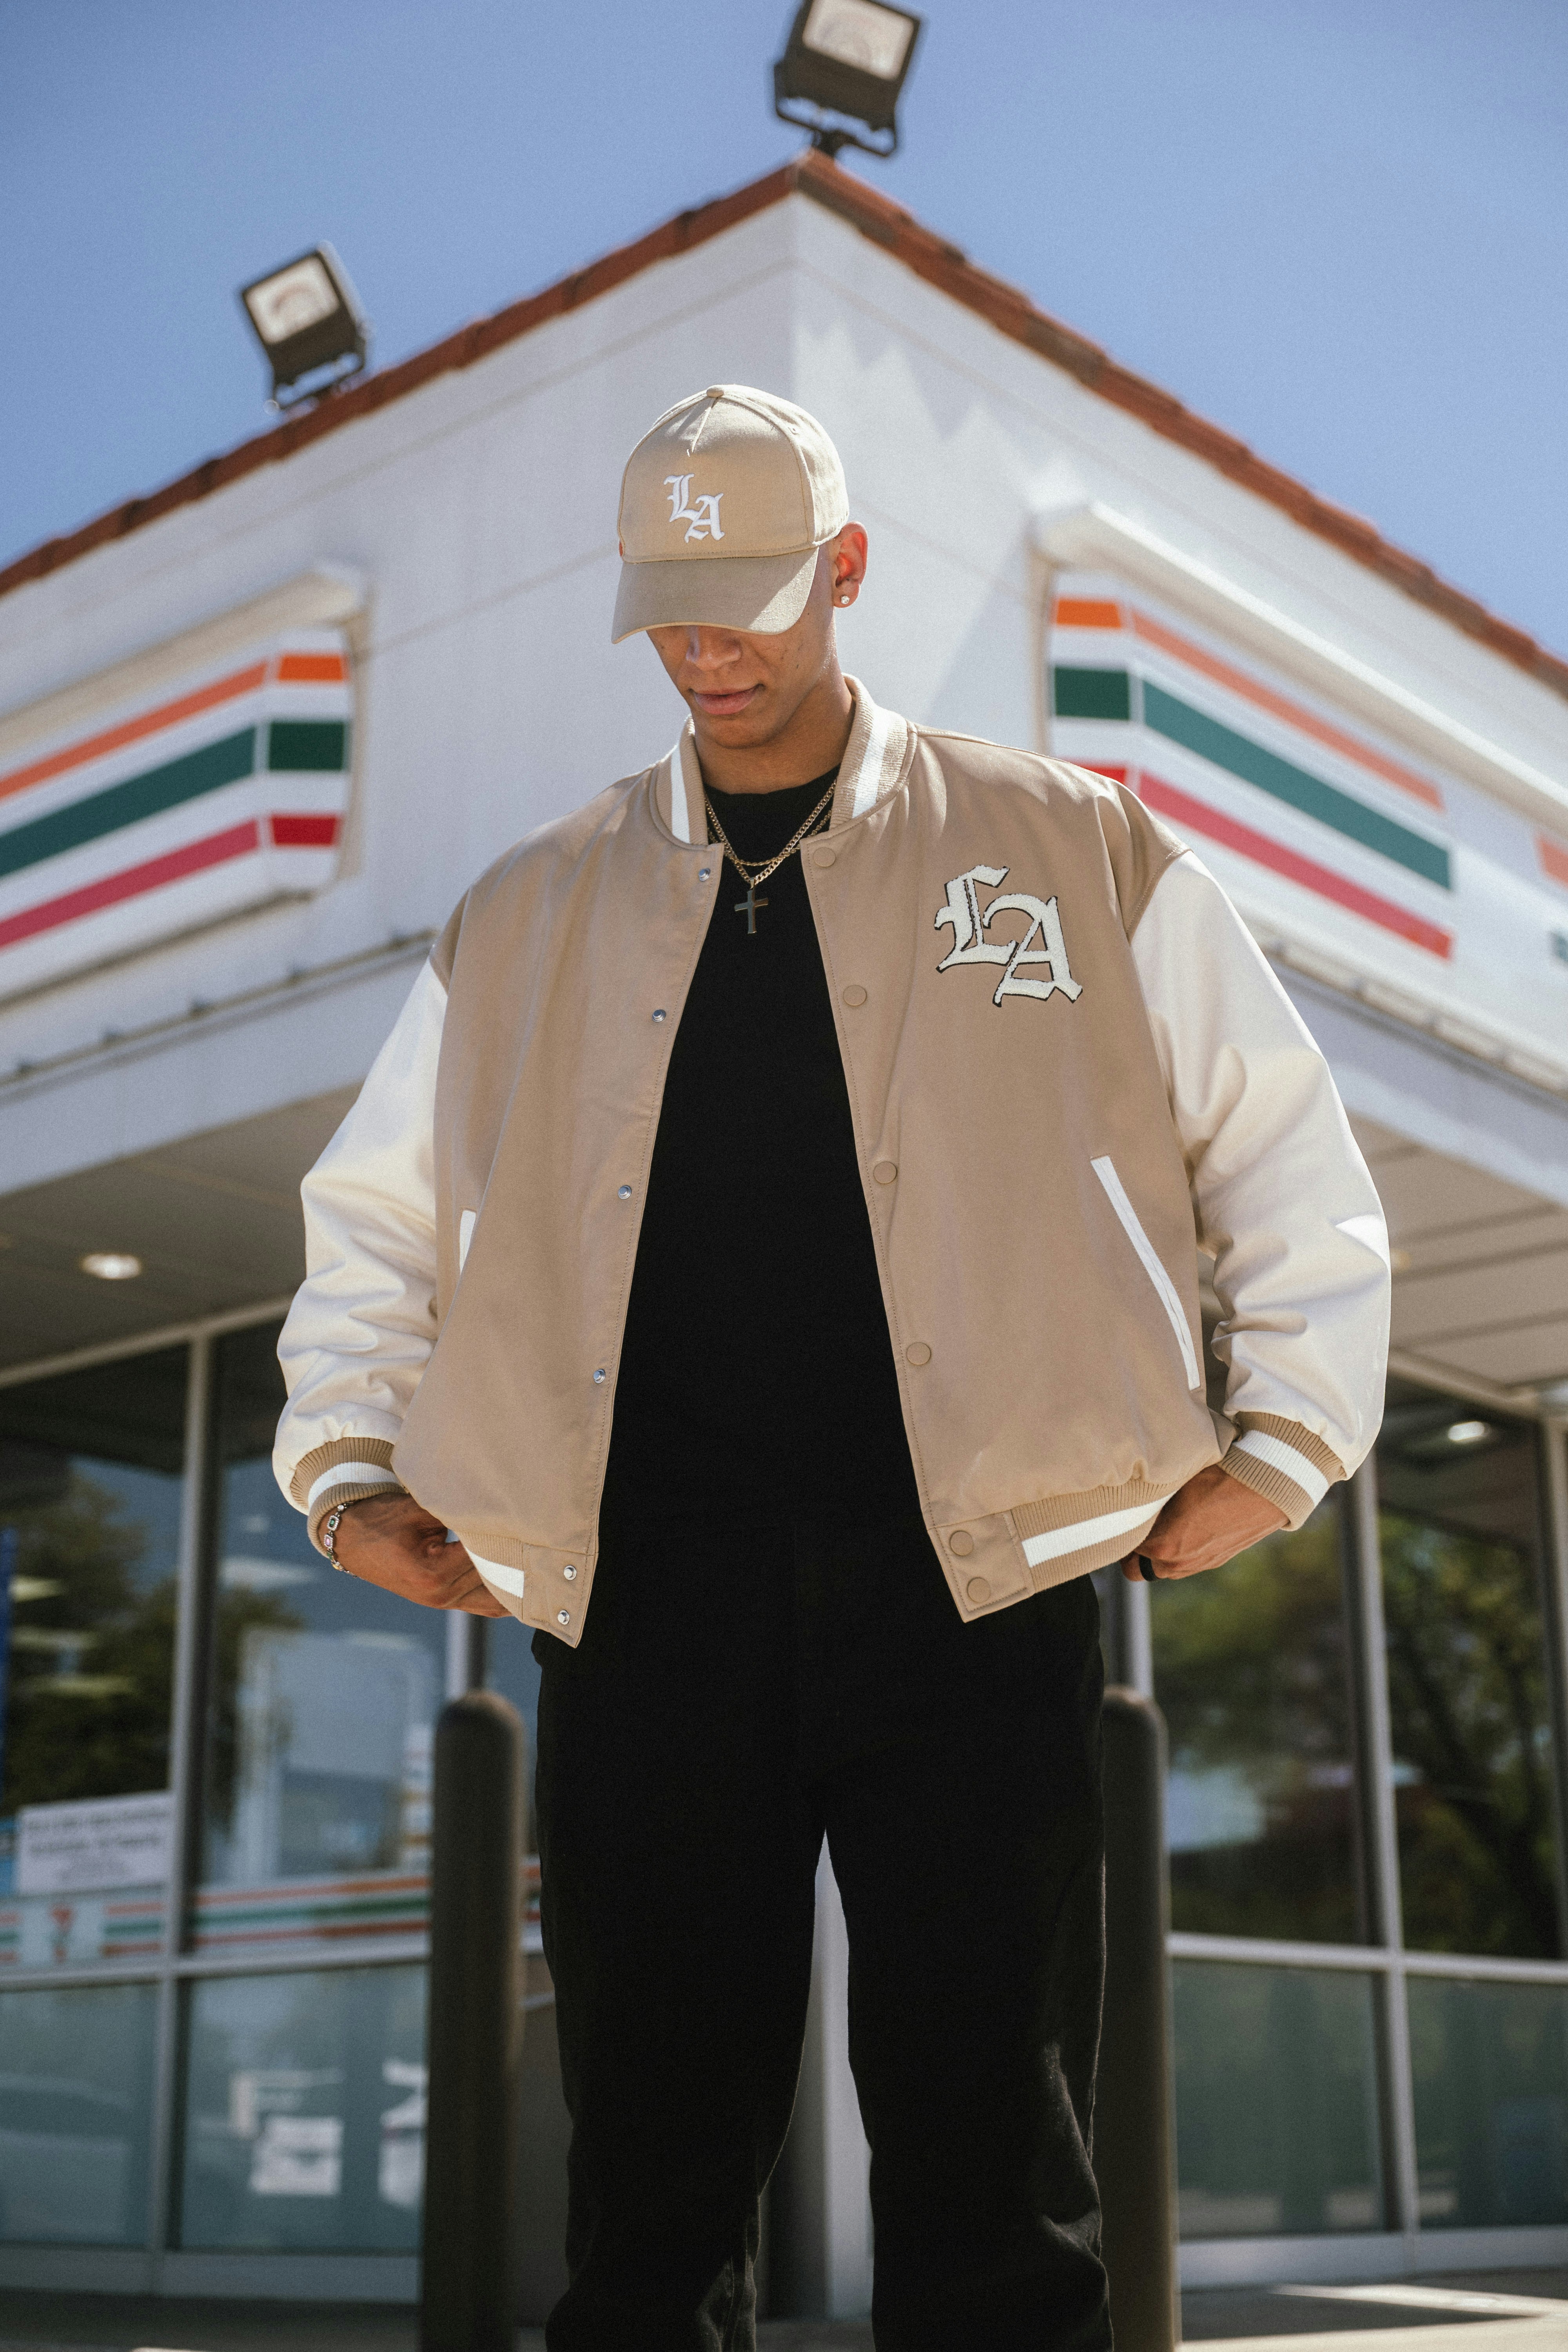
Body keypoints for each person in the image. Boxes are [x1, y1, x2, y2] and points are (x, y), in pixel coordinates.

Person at [274, 385, 1390, 2350]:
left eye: (750, 601)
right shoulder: (527, 903)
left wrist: (1286, 1440)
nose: (707, 650)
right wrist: (346, 1465)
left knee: (992, 2175)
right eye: (669, 611)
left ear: (846, 572)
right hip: (638, 1607)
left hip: (976, 1588)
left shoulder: (1068, 845)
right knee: (644, 2188)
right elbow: (381, 1215)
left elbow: (1280, 1150)